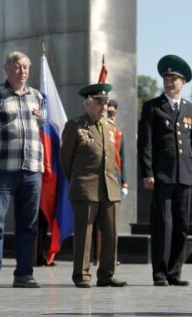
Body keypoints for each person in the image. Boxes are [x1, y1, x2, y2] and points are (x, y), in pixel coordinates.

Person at [0, 51, 44, 289]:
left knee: (29, 224)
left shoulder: (37, 96)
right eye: (17, 67)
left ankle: (24, 274)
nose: (22, 71)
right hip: (2, 169)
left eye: (26, 67)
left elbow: (41, 128)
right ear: (7, 68)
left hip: (32, 169)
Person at [138, 55, 192, 286]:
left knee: (182, 226)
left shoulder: (191, 109)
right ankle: (160, 273)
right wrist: (147, 172)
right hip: (162, 176)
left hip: (184, 176)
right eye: (166, 78)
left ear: (183, 82)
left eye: (174, 78)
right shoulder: (153, 107)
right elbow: (145, 145)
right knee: (163, 225)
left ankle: (175, 272)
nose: (169, 82)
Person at [59, 83, 126, 288]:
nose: (104, 107)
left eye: (106, 102)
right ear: (88, 103)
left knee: (112, 233)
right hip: (86, 187)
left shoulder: (109, 128)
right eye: (100, 102)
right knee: (84, 234)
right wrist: (78, 182)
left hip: (110, 188)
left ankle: (106, 274)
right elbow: (65, 160)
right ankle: (82, 275)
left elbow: (113, 158)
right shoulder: (75, 126)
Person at [92, 99, 128, 266]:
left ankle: (111, 257)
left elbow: (122, 159)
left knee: (112, 222)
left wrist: (125, 182)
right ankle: (97, 256)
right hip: (97, 179)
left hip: (114, 179)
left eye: (113, 113)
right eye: (108, 113)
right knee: (96, 223)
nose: (111, 116)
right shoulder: (96, 130)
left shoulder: (117, 132)